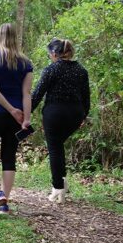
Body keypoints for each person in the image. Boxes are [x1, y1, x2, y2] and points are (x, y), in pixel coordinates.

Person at [0, 23, 34, 214]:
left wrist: (10, 109)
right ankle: (4, 204)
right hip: (16, 116)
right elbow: (27, 92)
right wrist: (25, 118)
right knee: (8, 156)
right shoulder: (26, 63)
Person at [31, 39, 90, 203]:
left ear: (55, 54)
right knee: (58, 146)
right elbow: (86, 98)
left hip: (55, 114)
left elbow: (37, 95)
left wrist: (25, 113)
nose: (50, 57)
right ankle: (62, 182)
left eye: (50, 54)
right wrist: (83, 116)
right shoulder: (81, 71)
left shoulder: (51, 69)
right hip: (75, 115)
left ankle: (58, 189)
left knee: (55, 149)